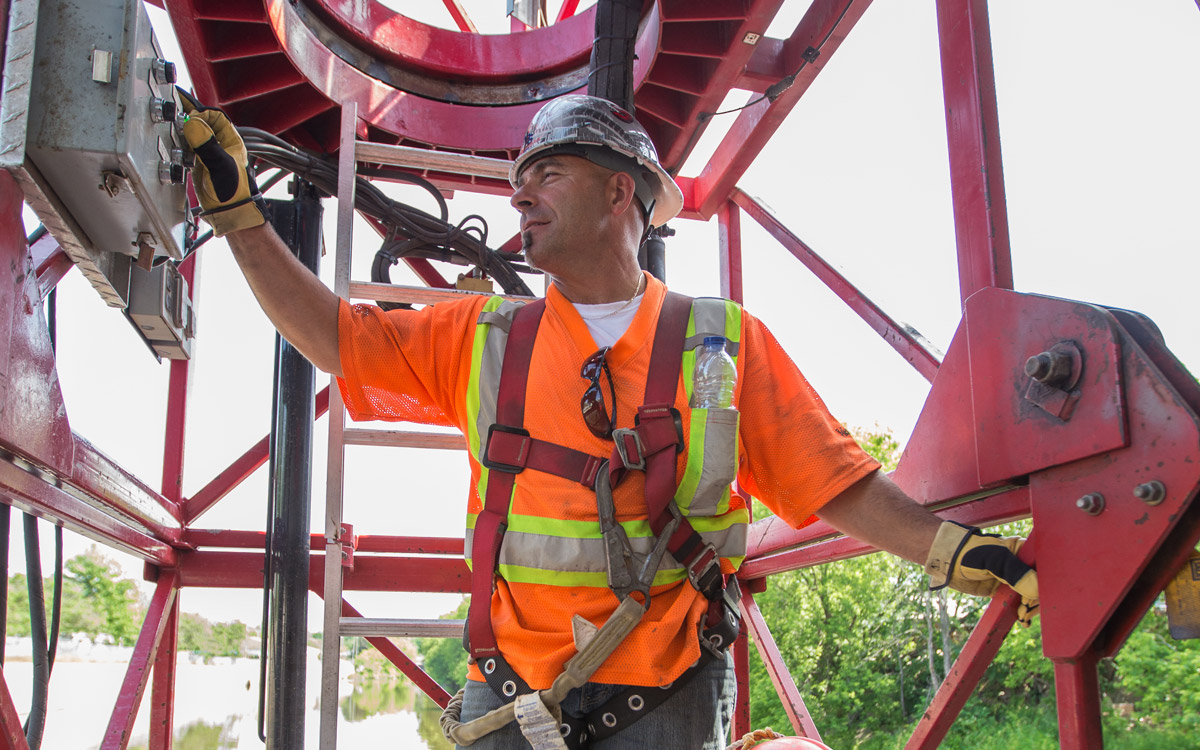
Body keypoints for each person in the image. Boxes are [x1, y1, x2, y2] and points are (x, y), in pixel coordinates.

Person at [179, 93, 1038, 750]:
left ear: (619, 190)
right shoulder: (482, 335)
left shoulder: (722, 344)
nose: (520, 199)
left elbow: (834, 482)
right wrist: (239, 219)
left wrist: (956, 553)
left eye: (546, 176)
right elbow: (332, 336)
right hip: (510, 698)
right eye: (518, 185)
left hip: (667, 699)